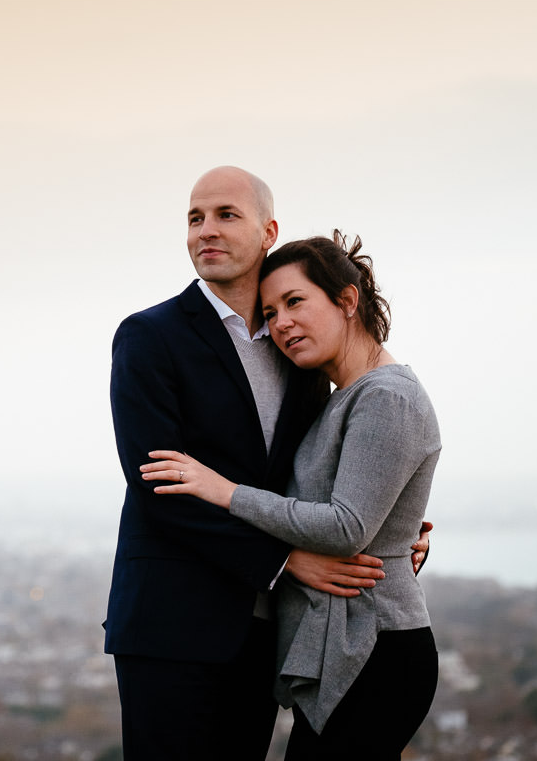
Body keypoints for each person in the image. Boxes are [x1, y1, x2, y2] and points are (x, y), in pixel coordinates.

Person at [103, 166, 428, 759]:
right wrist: (284, 561)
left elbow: (320, 479)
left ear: (268, 230)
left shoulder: (295, 350)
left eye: (226, 215)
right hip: (171, 626)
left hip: (263, 634)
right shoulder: (150, 336)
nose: (207, 230)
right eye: (195, 218)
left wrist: (394, 528)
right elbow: (159, 488)